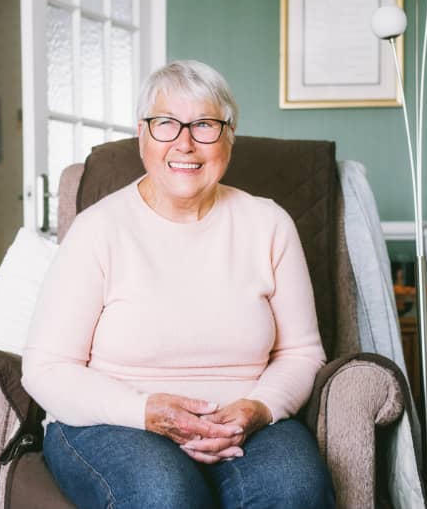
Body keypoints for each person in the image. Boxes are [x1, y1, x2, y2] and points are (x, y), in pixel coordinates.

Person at [22, 60, 335, 509]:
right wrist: (143, 410)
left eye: (204, 125)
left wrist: (259, 408)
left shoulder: (269, 224)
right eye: (166, 124)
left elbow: (301, 353)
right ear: (142, 135)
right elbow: (46, 368)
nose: (185, 143)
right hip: (112, 421)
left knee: (294, 489)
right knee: (164, 495)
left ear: (229, 135)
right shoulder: (99, 230)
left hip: (244, 418)